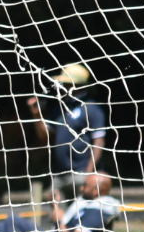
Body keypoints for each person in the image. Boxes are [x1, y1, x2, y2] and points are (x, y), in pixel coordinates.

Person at [27, 63, 109, 199]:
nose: (61, 87)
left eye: (65, 83)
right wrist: (37, 115)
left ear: (76, 85)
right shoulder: (60, 109)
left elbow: (98, 142)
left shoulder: (92, 109)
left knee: (80, 216)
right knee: (57, 216)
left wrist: (88, 173)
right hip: (59, 175)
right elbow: (46, 137)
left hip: (81, 175)